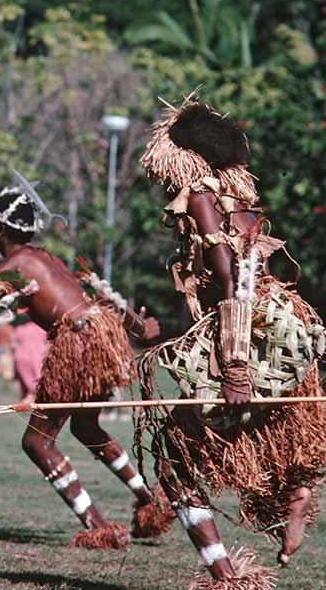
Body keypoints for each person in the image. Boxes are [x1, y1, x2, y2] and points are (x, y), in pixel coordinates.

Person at [0, 175, 171, 548]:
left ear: (0, 229)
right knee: (87, 430)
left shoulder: (13, 268)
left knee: (38, 442)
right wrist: (139, 326)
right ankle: (148, 499)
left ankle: (98, 525)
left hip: (77, 346)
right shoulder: (44, 257)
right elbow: (94, 288)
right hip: (103, 339)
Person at [136, 97, 326, 586]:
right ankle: (295, 491)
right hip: (280, 320)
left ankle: (226, 576)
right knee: (263, 435)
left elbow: (233, 271)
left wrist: (236, 364)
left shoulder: (200, 194)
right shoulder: (235, 194)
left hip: (248, 325)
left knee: (171, 460)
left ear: (184, 155)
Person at [12, 319, 47, 403]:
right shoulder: (41, 328)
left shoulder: (19, 329)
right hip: (38, 355)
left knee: (25, 380)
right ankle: (31, 396)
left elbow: (13, 345)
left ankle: (28, 396)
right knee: (37, 378)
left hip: (21, 356)